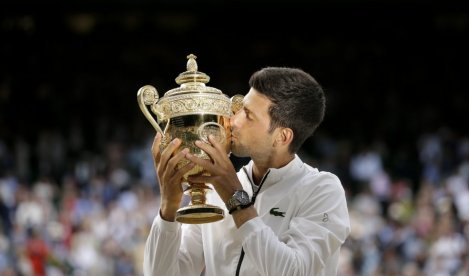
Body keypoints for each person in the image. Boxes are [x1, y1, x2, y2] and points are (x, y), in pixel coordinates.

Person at [144, 67, 351, 275]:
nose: (233, 121)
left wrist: (236, 199)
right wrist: (168, 208)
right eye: (240, 108)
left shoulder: (322, 190)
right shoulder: (215, 190)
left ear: (282, 137)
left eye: (248, 115)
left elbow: (294, 271)